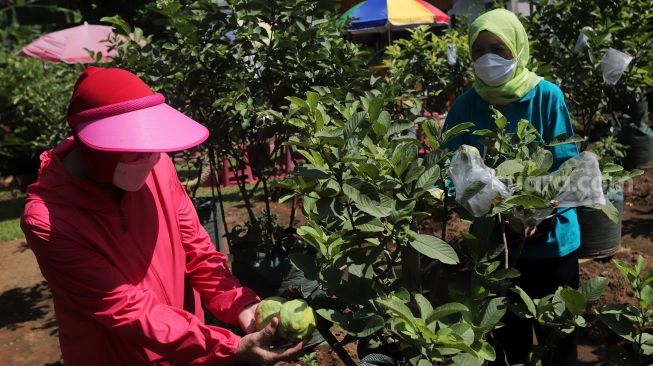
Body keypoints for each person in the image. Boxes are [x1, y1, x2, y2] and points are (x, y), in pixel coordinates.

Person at [21, 66, 303, 365]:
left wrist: (242, 306)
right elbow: (126, 309)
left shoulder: (156, 165)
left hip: (184, 345)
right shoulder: (49, 222)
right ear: (95, 150)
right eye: (139, 151)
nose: (154, 157)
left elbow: (199, 252)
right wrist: (229, 347)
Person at [443, 9, 580, 366]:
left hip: (552, 244)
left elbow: (566, 166)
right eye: (479, 50)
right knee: (505, 347)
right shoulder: (466, 105)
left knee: (557, 343)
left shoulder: (547, 97)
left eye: (499, 48)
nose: (488, 58)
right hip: (494, 245)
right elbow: (447, 169)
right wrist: (478, 205)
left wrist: (542, 210)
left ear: (518, 48)